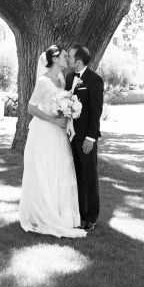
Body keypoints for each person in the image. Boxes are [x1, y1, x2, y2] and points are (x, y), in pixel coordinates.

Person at [19, 45, 86, 238]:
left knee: (58, 169)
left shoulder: (61, 80)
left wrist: (67, 112)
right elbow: (31, 108)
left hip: (58, 132)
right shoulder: (43, 81)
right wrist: (54, 120)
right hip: (45, 131)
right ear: (55, 59)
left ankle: (58, 213)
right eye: (65, 56)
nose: (68, 59)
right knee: (44, 169)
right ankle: (41, 212)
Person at [65, 45, 104, 233]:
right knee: (77, 177)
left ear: (78, 61)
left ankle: (91, 218)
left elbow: (96, 112)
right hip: (71, 136)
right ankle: (79, 213)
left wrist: (91, 138)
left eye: (70, 56)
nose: (68, 59)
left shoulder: (94, 80)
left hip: (86, 139)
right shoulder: (69, 78)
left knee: (90, 177)